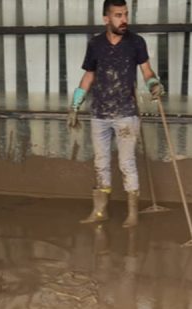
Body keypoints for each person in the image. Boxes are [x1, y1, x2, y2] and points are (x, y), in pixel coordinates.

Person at [69, 0, 164, 228]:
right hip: (99, 113)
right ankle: (100, 211)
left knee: (126, 163)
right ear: (106, 18)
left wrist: (154, 83)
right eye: (118, 15)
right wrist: (75, 105)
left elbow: (146, 70)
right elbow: (89, 75)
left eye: (126, 15)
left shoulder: (136, 42)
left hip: (126, 113)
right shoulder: (95, 44)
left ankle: (132, 213)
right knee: (100, 163)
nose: (124, 20)